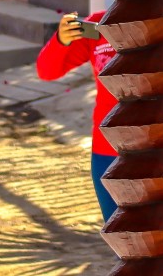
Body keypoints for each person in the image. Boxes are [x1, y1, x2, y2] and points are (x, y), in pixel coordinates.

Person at [34, 11, 119, 222]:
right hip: (106, 150)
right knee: (120, 233)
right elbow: (47, 70)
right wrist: (61, 39)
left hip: (157, 147)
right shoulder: (99, 24)